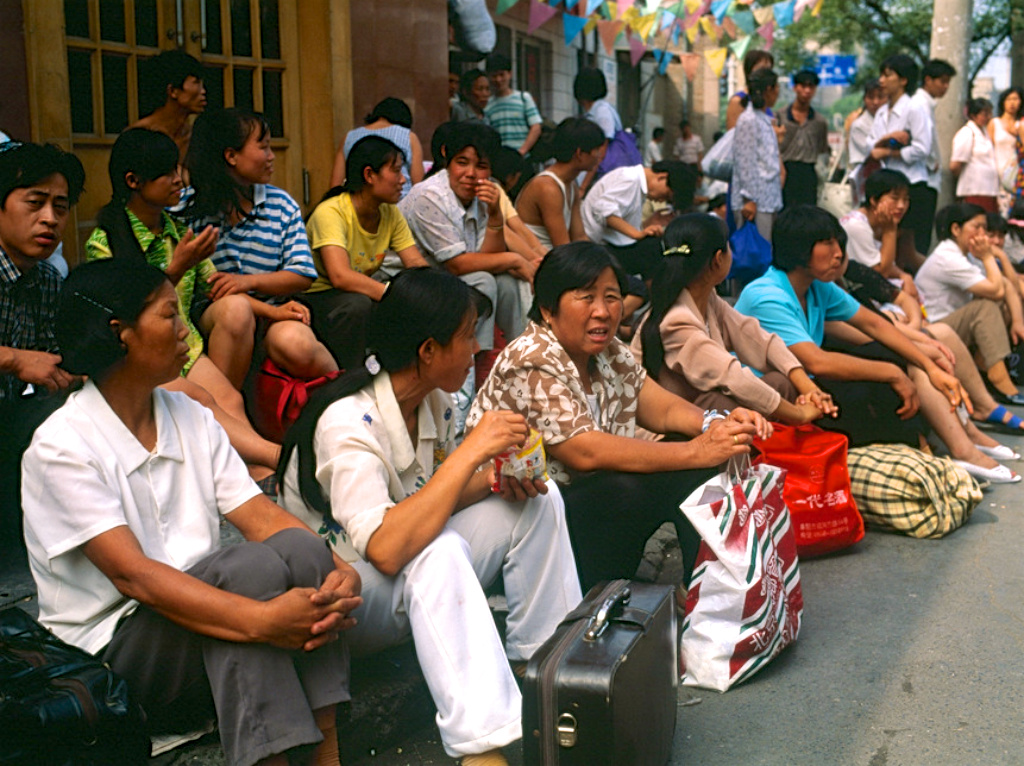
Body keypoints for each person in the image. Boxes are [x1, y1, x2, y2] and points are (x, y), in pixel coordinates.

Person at [22, 258, 363, 766]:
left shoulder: (189, 415)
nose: (186, 332)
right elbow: (135, 578)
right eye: (169, 316)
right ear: (121, 334)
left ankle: (325, 748)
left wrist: (340, 570)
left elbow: (260, 515)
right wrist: (262, 619)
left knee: (299, 546)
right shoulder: (61, 446)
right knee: (248, 571)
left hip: (208, 613)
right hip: (119, 652)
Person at [279, 268, 581, 766]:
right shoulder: (346, 422)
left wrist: (492, 479)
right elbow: (386, 548)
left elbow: (432, 498)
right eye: (466, 337)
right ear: (427, 351)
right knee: (438, 549)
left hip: (401, 571)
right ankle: (481, 747)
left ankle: (548, 674)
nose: (475, 348)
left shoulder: (434, 400)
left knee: (537, 499)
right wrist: (471, 457)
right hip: (344, 601)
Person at [469, 241, 772, 592]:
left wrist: (716, 426)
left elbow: (663, 407)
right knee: (627, 488)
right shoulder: (532, 358)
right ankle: (597, 596)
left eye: (611, 297)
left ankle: (708, 600)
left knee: (697, 462)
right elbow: (585, 452)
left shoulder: (606, 349)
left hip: (583, 505)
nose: (602, 311)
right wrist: (699, 450)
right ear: (549, 308)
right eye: (586, 297)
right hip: (527, 518)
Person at [735, 206, 1012, 483]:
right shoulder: (767, 295)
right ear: (798, 248)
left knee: (900, 363)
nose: (839, 253)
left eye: (838, 242)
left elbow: (876, 325)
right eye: (827, 243)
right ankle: (928, 459)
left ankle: (941, 453)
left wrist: (929, 365)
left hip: (808, 389)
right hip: (772, 398)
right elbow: (817, 361)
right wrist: (894, 372)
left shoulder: (818, 286)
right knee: (882, 380)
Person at [85, 128, 281, 486]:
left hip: (182, 345)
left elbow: (216, 286)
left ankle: (255, 474)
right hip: (137, 356)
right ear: (134, 180)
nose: (179, 181)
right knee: (200, 399)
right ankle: (280, 458)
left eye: (179, 169)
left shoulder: (178, 230)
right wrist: (177, 268)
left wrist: (275, 312)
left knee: (230, 402)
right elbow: (124, 312)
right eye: (168, 173)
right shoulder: (105, 242)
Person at [179, 107, 338, 389]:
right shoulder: (188, 209)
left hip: (275, 313)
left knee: (297, 344)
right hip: (214, 319)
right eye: (263, 147)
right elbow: (206, 289)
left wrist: (247, 282)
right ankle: (223, 416)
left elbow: (302, 273)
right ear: (231, 156)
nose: (271, 156)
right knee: (235, 311)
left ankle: (346, 398)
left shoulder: (281, 204)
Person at [634, 213, 836, 424]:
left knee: (780, 382)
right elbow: (733, 378)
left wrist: (808, 387)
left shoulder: (707, 297)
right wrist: (800, 414)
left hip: (701, 409)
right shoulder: (676, 320)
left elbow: (758, 338)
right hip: (668, 432)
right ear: (718, 259)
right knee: (721, 403)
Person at [0, 141, 84, 544]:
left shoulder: (48, 280)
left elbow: (54, 358)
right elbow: (24, 362)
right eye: (35, 203)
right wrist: (14, 360)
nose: (49, 219)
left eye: (61, 207)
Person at [398, 122, 533, 372]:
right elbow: (458, 263)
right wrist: (515, 259)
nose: (471, 173)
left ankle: (522, 360)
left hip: (448, 277)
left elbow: (485, 256)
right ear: (447, 161)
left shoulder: (484, 193)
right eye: (462, 162)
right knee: (485, 281)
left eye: (480, 166)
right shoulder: (430, 196)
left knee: (508, 283)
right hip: (411, 281)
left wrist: (494, 216)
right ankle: (474, 365)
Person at [303, 136, 428, 370]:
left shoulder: (390, 213)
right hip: (317, 300)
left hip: (357, 293)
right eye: (396, 171)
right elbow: (341, 276)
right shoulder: (331, 213)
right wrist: (397, 297)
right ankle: (350, 376)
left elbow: (415, 263)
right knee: (361, 304)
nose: (403, 180)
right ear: (369, 175)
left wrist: (434, 291)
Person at [915, 203, 1024, 405]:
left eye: (985, 228)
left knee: (999, 304)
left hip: (953, 325)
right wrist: (989, 256)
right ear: (956, 229)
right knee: (985, 307)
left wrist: (1017, 321)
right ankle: (998, 378)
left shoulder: (964, 255)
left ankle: (986, 367)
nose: (982, 234)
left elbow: (1007, 286)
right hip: (934, 329)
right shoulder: (947, 257)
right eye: (977, 227)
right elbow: (996, 289)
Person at [868, 54, 933, 258]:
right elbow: (871, 145)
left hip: (912, 186)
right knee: (888, 243)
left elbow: (922, 148)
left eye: (888, 75)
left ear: (903, 80)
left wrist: (889, 151)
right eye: (881, 75)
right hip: (888, 186)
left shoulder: (915, 109)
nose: (882, 81)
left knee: (909, 249)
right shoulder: (881, 112)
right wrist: (889, 138)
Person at [580, 160, 684, 280]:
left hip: (608, 244)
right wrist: (637, 234)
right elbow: (604, 212)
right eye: (665, 196)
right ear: (662, 177)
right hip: (596, 247)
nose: (661, 201)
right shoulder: (630, 179)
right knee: (654, 249)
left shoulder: (636, 184)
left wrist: (649, 223)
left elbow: (619, 227)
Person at [515, 116, 606, 250]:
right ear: (579, 153)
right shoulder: (548, 188)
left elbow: (579, 237)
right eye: (596, 150)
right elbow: (562, 247)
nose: (599, 156)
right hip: (539, 261)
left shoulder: (570, 185)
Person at [840, 168, 919, 297]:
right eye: (894, 198)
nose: (901, 206)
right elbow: (882, 272)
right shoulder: (857, 226)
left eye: (905, 199)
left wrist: (904, 275)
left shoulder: (880, 222)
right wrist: (890, 231)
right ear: (873, 200)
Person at [331, 98, 423, 199]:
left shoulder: (348, 138)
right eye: (397, 170)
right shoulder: (409, 136)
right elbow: (419, 187)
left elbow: (335, 187)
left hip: (356, 205)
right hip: (400, 203)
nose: (402, 179)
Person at [732, 68, 783, 241]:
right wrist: (750, 199)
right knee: (755, 255)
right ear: (769, 89)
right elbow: (745, 162)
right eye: (776, 89)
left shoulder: (763, 118)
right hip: (755, 202)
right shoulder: (748, 119)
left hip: (769, 199)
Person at [132, 50, 207, 163]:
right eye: (196, 83)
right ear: (172, 91)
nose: (203, 91)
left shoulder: (195, 136)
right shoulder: (137, 136)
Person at [911, 59, 957, 241]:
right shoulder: (919, 105)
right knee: (919, 235)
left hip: (926, 177)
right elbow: (921, 142)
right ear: (928, 80)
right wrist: (932, 163)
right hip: (921, 179)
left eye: (948, 83)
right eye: (942, 81)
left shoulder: (926, 104)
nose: (945, 87)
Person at [777, 69, 830, 209]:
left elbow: (823, 149)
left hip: (808, 172)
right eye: (803, 86)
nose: (807, 90)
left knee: (808, 214)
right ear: (795, 87)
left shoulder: (819, 121)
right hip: (785, 170)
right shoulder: (780, 116)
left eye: (811, 87)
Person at [484, 53, 542, 157]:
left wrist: (521, 152)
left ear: (510, 74)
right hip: (499, 159)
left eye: (502, 74)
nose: (498, 79)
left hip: (523, 159)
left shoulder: (524, 98)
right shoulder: (487, 104)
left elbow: (536, 127)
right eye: (494, 75)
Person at [951, 98, 1000, 212]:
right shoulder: (967, 132)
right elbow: (955, 165)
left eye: (990, 113)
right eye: (984, 114)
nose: (988, 117)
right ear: (973, 115)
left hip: (990, 190)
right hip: (974, 190)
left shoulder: (985, 133)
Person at [845, 78, 886, 206]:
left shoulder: (887, 120)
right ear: (864, 99)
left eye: (880, 97)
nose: (875, 102)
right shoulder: (859, 125)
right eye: (871, 97)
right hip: (866, 177)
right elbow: (873, 152)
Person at [988, 87, 1023, 213]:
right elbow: (989, 148)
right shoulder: (994, 123)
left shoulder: (1021, 124)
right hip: (997, 172)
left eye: (1015, 99)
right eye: (1008, 99)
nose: (1012, 103)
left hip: (1017, 174)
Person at [725, 49, 775, 130]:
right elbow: (732, 134)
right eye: (761, 69)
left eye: (769, 69)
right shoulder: (738, 101)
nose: (765, 74)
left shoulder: (766, 100)